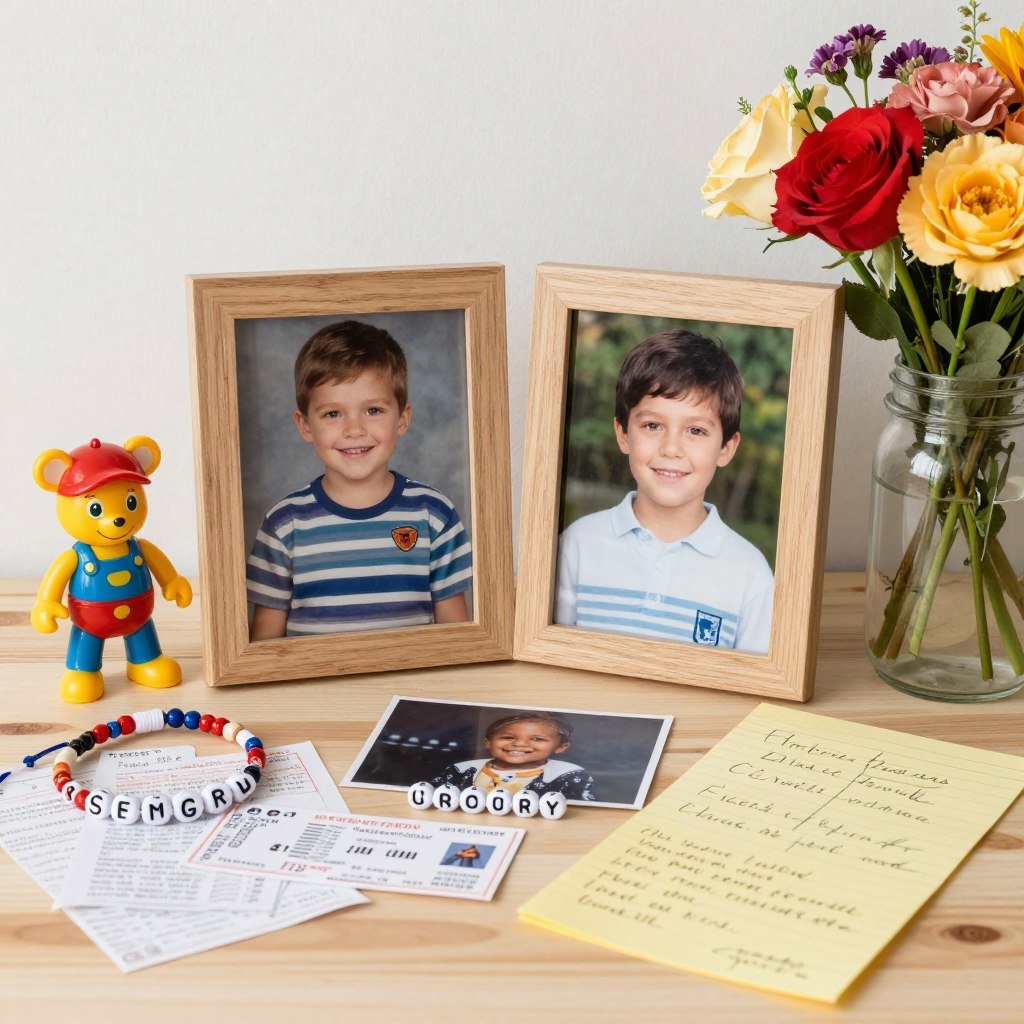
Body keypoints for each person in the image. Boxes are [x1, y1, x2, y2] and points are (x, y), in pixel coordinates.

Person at [246, 321, 472, 639]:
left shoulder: (434, 515)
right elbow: (265, 645)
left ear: (403, 418)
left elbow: (457, 637)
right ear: (306, 425)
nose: (354, 430)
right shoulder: (284, 525)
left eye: (373, 410)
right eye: (333, 414)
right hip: (314, 687)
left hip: (411, 681)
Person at [555, 329, 774, 654]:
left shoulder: (751, 576)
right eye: (653, 426)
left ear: (727, 448)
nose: (671, 448)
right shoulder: (576, 546)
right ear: (623, 434)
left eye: (696, 430)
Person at [431, 712, 596, 801]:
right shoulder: (462, 770)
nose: (519, 744)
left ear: (561, 747)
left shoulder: (567, 775)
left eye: (537, 739)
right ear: (488, 742)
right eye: (508, 737)